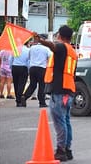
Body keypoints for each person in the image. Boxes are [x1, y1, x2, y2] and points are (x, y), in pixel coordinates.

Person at [33, 25, 77, 161]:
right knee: (66, 121)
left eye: (58, 35)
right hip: (68, 90)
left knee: (60, 121)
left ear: (61, 36)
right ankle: (67, 149)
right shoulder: (72, 51)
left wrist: (40, 40)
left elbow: (52, 46)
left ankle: (61, 151)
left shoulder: (62, 47)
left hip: (60, 91)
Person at [21, 35, 51, 107]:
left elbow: (29, 57)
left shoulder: (32, 48)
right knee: (42, 85)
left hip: (33, 68)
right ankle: (42, 102)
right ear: (43, 40)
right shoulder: (46, 48)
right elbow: (50, 57)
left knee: (32, 85)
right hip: (42, 68)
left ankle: (24, 97)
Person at [10, 42, 30, 107]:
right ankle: (19, 99)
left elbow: (10, 59)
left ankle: (17, 100)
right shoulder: (28, 50)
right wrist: (28, 69)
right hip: (23, 67)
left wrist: (11, 67)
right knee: (21, 84)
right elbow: (28, 61)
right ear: (27, 43)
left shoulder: (15, 49)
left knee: (16, 84)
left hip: (15, 67)